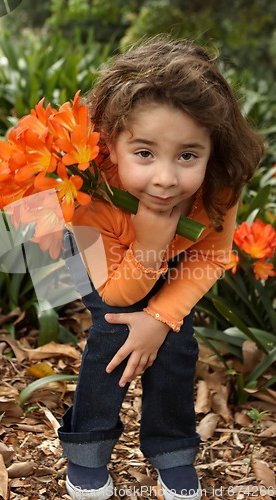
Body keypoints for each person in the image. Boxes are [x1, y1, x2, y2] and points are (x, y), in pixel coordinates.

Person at [58, 37, 264, 500]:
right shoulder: (91, 188)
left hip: (175, 266)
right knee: (112, 334)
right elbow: (114, 295)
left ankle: (172, 451)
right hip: (100, 258)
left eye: (188, 155)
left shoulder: (219, 187)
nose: (166, 179)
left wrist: (159, 319)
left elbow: (210, 254)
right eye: (145, 153)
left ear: (214, 150)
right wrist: (149, 244)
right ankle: (88, 449)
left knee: (174, 346)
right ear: (110, 146)